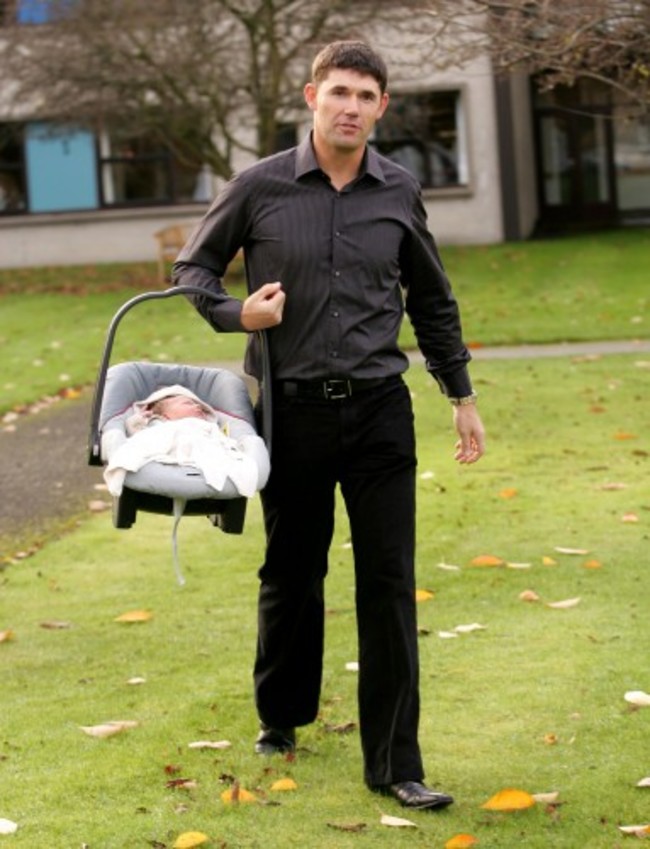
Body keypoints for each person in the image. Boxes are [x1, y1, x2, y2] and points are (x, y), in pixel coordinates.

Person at [172, 39, 485, 810]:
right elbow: (193, 270)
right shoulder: (260, 186)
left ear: (382, 108)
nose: (351, 107)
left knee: (388, 583)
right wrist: (233, 312)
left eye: (366, 96)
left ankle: (395, 763)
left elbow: (432, 298)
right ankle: (281, 716)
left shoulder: (399, 190)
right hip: (291, 411)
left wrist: (460, 391)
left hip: (381, 409)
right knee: (292, 571)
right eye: (338, 91)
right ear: (311, 96)